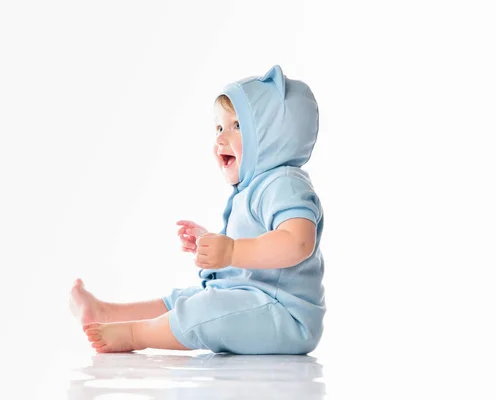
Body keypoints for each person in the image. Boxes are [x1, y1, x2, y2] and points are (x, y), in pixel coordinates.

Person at [70, 65, 325, 354]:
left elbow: (298, 243)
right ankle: (107, 315)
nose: (220, 138)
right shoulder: (256, 188)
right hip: (255, 301)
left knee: (205, 308)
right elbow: (254, 253)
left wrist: (231, 251)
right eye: (218, 128)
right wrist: (214, 245)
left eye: (237, 126)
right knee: (188, 299)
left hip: (286, 316)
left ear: (275, 135)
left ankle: (135, 333)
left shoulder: (285, 184)